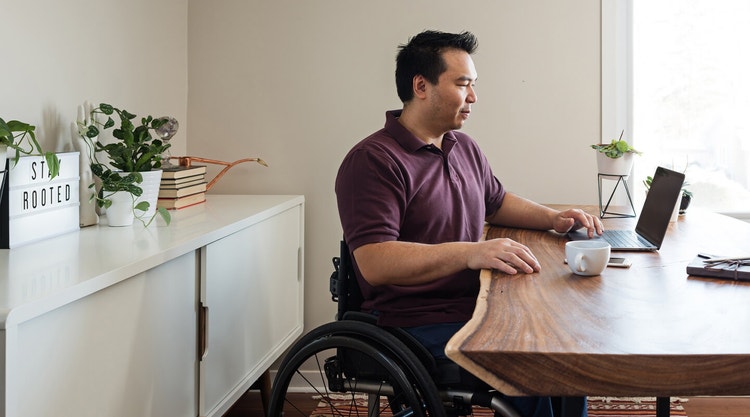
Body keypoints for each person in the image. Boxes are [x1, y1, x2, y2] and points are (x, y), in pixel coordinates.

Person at [335, 30, 601, 417]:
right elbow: (375, 262)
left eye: (472, 85)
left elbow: (496, 202)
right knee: (530, 365)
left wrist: (553, 218)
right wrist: (471, 253)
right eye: (463, 84)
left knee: (565, 352)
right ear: (421, 86)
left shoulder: (462, 146)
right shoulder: (373, 160)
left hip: (474, 305)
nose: (473, 97)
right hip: (413, 320)